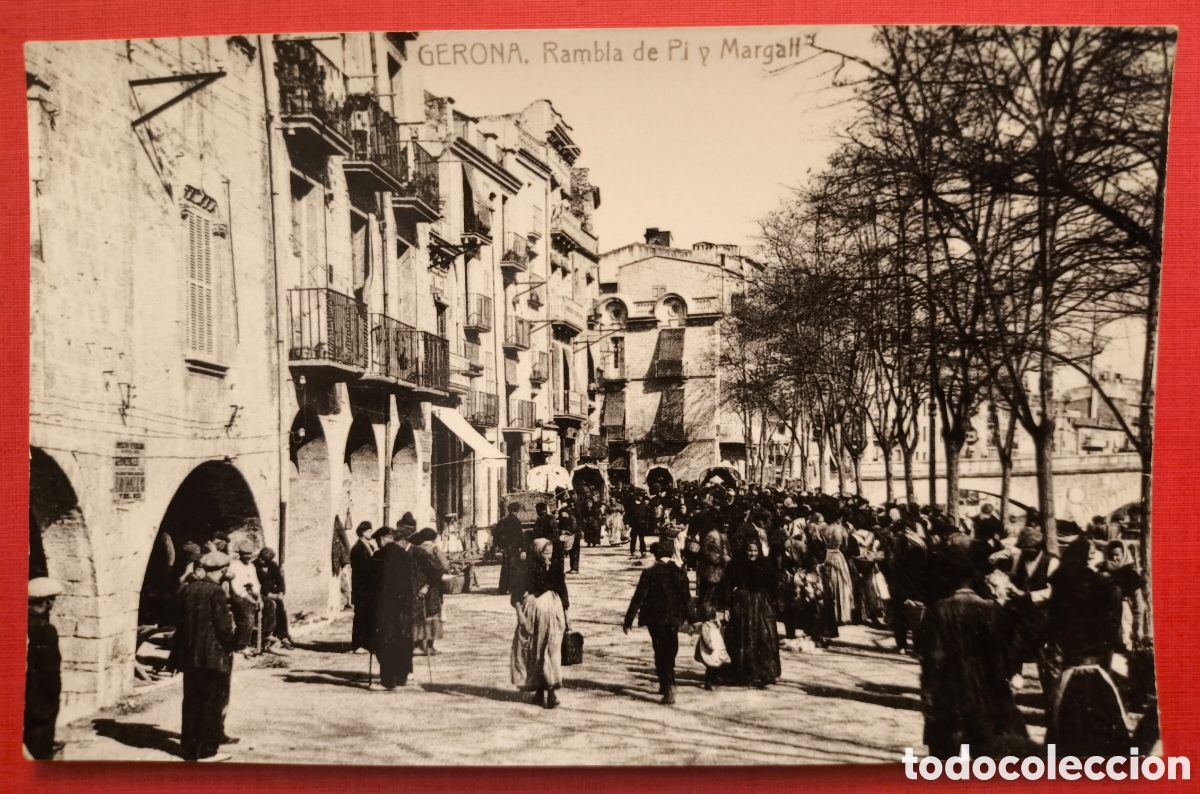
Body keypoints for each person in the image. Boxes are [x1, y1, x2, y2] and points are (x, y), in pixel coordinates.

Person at [914, 547, 1028, 759]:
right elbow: (1008, 652)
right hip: (986, 695)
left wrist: (928, 693)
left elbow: (933, 657)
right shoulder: (992, 609)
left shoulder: (939, 610)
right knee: (984, 755)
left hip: (949, 692)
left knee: (946, 756)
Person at [1046, 536, 1129, 757]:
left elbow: (1055, 628)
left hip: (1071, 668)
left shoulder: (1062, 583)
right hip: (1095, 667)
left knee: (1066, 732)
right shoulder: (1095, 583)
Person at [175, 552, 237, 762]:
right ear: (222, 570)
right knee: (212, 704)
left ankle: (189, 749)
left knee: (192, 702)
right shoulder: (216, 592)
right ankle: (207, 752)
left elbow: (180, 624)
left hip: (191, 656)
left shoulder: (188, 589)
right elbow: (224, 628)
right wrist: (231, 646)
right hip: (213, 657)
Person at [623, 541, 693, 705]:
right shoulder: (680, 572)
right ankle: (668, 681)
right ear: (671, 554)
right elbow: (687, 598)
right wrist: (692, 619)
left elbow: (638, 597)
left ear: (655, 555)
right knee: (671, 648)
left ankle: (667, 684)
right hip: (674, 618)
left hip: (655, 618)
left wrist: (628, 620)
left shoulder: (649, 572)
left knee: (660, 649)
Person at [511, 537, 570, 708]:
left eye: (550, 553)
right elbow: (516, 594)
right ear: (537, 553)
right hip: (533, 614)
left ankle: (550, 692)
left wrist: (567, 616)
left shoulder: (556, 568)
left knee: (550, 652)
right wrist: (520, 615)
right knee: (534, 652)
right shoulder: (527, 568)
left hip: (553, 614)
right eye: (545, 554)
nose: (549, 557)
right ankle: (539, 691)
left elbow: (563, 592)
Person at [718, 539, 781, 688]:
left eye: (755, 551)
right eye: (749, 550)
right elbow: (727, 584)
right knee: (742, 637)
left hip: (761, 605)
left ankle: (765, 673)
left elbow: (773, 585)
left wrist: (772, 600)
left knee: (765, 636)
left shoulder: (765, 565)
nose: (752, 554)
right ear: (745, 551)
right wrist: (726, 606)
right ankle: (743, 674)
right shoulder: (736, 565)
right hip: (742, 604)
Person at [372, 525, 418, 690]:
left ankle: (388, 681)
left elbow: (373, 583)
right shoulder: (405, 555)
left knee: (386, 640)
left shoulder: (379, 556)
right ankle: (401, 677)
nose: (377, 544)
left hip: (386, 605)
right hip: (404, 604)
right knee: (403, 639)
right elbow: (411, 580)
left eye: (377, 541)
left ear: (383, 539)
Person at [25, 577, 64, 760]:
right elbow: (49, 672)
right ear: (48, 602)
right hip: (39, 702)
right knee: (39, 750)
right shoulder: (45, 630)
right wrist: (53, 696)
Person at [411, 527, 448, 656]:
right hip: (432, 585)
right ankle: (429, 646)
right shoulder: (434, 548)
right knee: (433, 614)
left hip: (419, 586)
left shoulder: (416, 549)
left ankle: (420, 644)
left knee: (421, 614)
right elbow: (444, 566)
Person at [227, 542, 262, 656]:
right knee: (248, 615)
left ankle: (264, 638)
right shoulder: (235, 566)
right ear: (240, 554)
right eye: (245, 554)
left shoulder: (251, 566)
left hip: (251, 594)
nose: (247, 556)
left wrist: (259, 599)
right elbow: (237, 588)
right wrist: (253, 601)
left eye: (249, 554)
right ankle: (242, 645)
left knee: (270, 604)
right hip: (238, 596)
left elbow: (256, 584)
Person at [253, 547, 292, 650]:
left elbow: (280, 580)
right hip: (261, 593)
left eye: (264, 559)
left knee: (281, 609)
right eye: (260, 557)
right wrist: (269, 594)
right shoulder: (254, 566)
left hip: (272, 592)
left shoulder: (273, 565)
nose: (261, 560)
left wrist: (281, 592)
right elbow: (255, 585)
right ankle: (267, 635)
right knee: (271, 605)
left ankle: (283, 635)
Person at [349, 520, 379, 653]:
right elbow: (363, 569)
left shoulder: (368, 546)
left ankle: (366, 643)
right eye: (369, 531)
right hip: (362, 587)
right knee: (361, 615)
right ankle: (358, 645)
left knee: (368, 615)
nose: (371, 533)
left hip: (368, 587)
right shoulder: (358, 548)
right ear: (363, 532)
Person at [494, 503, 524, 595]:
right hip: (514, 548)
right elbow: (520, 536)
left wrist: (499, 546)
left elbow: (496, 534)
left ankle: (503, 589)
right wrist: (522, 547)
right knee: (513, 568)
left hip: (506, 548)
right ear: (516, 511)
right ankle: (511, 588)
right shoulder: (516, 521)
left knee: (505, 567)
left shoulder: (503, 521)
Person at [559, 505, 581, 574]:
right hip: (569, 536)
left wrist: (566, 531)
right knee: (571, 553)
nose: (561, 514)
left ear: (566, 513)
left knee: (575, 552)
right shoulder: (564, 519)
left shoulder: (572, 518)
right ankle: (572, 568)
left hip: (575, 536)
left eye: (562, 513)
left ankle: (575, 568)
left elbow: (574, 528)